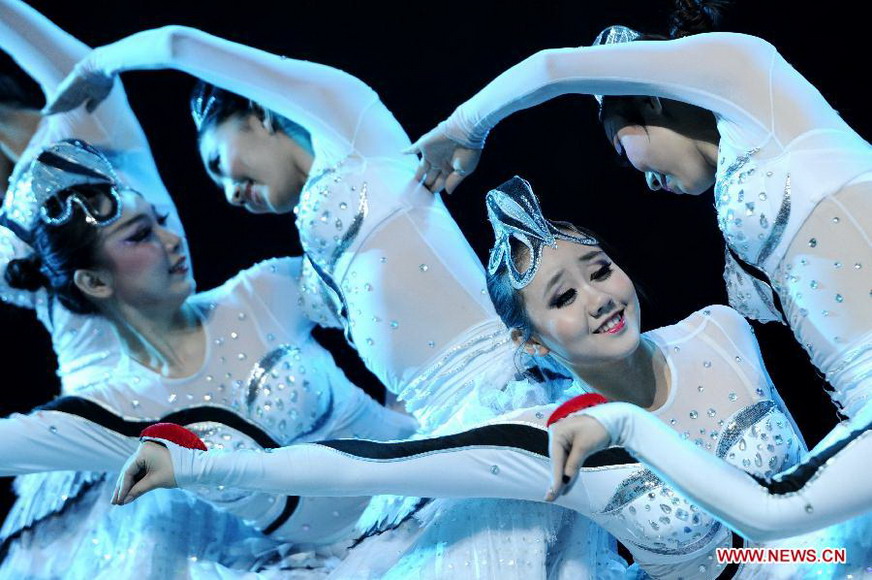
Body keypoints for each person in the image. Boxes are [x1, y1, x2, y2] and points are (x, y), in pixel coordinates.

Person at [44, 26, 624, 578]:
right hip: (439, 435)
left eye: (222, 164)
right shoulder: (298, 262)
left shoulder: (350, 132)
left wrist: (98, 65)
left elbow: (180, 44)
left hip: (501, 395)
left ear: (260, 113)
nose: (229, 192)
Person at [113, 176, 837, 579]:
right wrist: (195, 467)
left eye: (599, 270)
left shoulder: (721, 329)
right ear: (532, 343)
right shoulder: (553, 443)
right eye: (563, 298)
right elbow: (372, 467)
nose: (600, 298)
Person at [406, 0, 872, 423]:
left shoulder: (751, 77)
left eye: (620, 149)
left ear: (650, 99)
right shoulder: (735, 182)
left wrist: (464, 128)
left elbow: (550, 68)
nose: (646, 181)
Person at [0, 138, 418, 577]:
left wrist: (411, 400)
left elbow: (391, 287)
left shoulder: (260, 293)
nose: (171, 239)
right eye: (141, 235)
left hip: (431, 493)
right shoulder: (114, 410)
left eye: (160, 221)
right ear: (95, 281)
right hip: (340, 566)